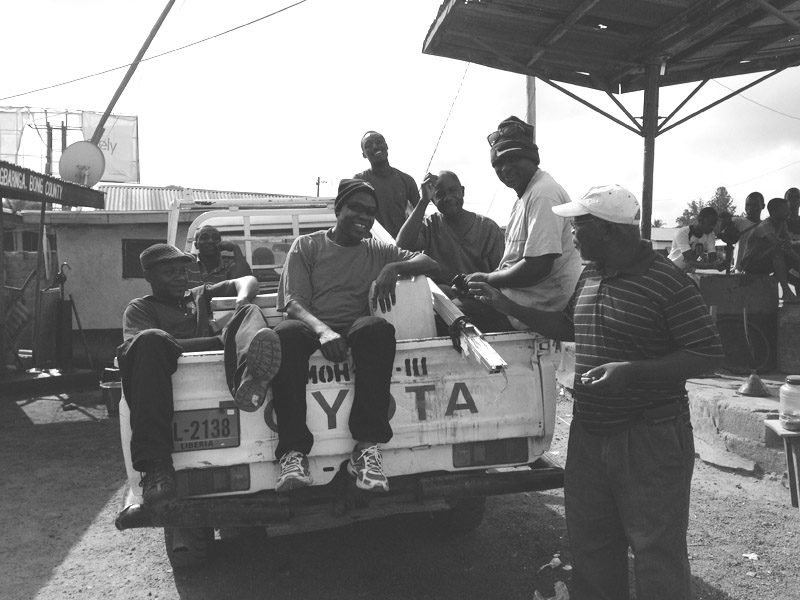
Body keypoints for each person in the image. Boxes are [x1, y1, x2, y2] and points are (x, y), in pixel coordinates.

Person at [468, 184, 723, 600]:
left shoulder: (668, 282)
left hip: (649, 436)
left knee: (655, 550)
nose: (572, 236)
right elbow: (568, 327)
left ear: (611, 231)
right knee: (593, 545)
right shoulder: (592, 272)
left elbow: (707, 354)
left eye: (579, 227)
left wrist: (632, 372)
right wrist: (506, 305)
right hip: (591, 433)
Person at [271, 179, 439, 493]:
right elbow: (294, 303)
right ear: (339, 209)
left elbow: (428, 262)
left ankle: (365, 449)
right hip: (313, 328)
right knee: (285, 335)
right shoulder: (308, 246)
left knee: (377, 330)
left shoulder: (377, 250)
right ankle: (294, 453)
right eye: (356, 208)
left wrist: (394, 268)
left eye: (371, 212)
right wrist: (323, 331)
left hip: (353, 331)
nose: (364, 216)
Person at [118, 244, 281, 507]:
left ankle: (252, 378)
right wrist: (212, 340)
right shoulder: (140, 309)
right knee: (149, 340)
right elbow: (141, 353)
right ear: (149, 276)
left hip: (217, 352)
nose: (180, 277)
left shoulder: (198, 295)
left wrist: (241, 299)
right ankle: (156, 467)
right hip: (169, 360)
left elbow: (248, 280)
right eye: (170, 272)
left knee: (249, 312)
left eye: (182, 271)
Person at [464, 116, 581, 330]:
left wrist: (489, 279)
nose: (505, 168)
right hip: (515, 302)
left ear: (531, 159)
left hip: (535, 311)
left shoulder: (543, 193)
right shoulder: (525, 196)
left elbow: (538, 266)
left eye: (513, 159)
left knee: (454, 314)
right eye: (498, 163)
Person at [395, 170, 508, 332]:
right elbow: (401, 247)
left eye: (453, 191)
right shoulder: (430, 225)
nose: (448, 198)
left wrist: (470, 289)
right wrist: (423, 201)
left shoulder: (488, 228)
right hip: (440, 303)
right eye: (440, 194)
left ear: (462, 191)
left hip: (480, 304)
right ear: (434, 199)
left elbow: (501, 276)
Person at [353, 130, 420, 238]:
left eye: (379, 142)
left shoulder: (407, 180)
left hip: (402, 247)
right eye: (368, 145)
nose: (375, 146)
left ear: (386, 146)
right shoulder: (359, 181)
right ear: (364, 155)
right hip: (372, 248)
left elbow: (420, 217)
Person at [739, 197, 800, 303]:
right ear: (774, 212)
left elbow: (789, 246)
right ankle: (786, 291)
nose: (788, 212)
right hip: (751, 263)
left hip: (766, 260)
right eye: (785, 210)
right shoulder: (765, 226)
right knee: (778, 250)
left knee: (790, 257)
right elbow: (780, 245)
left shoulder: (782, 224)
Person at [186, 225, 253, 287]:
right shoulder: (188, 262)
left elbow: (247, 283)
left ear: (221, 243)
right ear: (196, 245)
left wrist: (236, 248)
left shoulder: (229, 265)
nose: (211, 241)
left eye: (215, 238)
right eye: (204, 238)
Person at [668, 207, 723, 272]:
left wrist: (719, 264)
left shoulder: (710, 234)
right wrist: (712, 265)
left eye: (714, 224)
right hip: (671, 269)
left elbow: (713, 259)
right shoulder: (682, 233)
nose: (712, 227)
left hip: (688, 271)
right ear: (700, 220)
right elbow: (690, 261)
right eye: (710, 224)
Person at [731, 192, 765, 271]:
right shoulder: (737, 222)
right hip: (740, 269)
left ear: (763, 206)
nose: (750, 208)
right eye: (748, 205)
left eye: (755, 205)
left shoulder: (766, 226)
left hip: (759, 270)